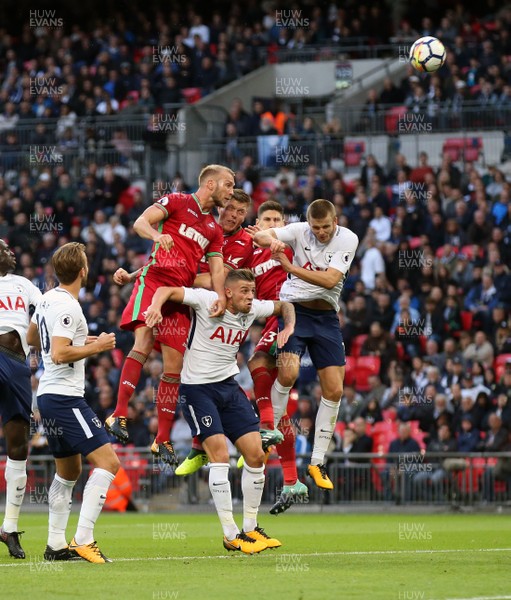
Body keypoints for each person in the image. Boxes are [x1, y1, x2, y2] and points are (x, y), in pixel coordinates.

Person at [144, 269, 295, 553]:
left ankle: (251, 528)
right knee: (221, 456)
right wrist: (154, 306)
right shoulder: (205, 300)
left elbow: (285, 305)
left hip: (228, 386)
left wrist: (288, 328)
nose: (251, 297)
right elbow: (168, 289)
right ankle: (230, 533)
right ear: (228, 292)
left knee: (256, 453)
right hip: (197, 389)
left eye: (252, 291)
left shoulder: (253, 308)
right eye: (245, 291)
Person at [177, 200, 308, 514]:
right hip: (263, 317)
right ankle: (291, 480)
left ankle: (264, 429)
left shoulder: (288, 246)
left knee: (268, 369)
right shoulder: (249, 248)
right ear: (257, 223)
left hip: (288, 314)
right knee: (268, 390)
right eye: (267, 219)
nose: (273, 223)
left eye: (279, 219)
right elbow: (225, 273)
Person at [106, 165, 233, 466]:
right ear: (211, 184)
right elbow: (140, 222)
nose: (230, 191)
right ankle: (119, 414)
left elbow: (216, 269)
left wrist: (219, 299)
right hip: (154, 281)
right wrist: (155, 235)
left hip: (180, 294)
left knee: (174, 369)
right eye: (228, 185)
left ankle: (161, 439)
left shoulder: (213, 229)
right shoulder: (176, 201)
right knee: (144, 341)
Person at [254, 199, 359, 489]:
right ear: (309, 223)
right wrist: (268, 240)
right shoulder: (299, 230)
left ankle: (317, 462)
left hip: (326, 316)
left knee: (335, 389)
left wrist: (288, 265)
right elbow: (266, 235)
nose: (321, 232)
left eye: (326, 227)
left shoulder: (348, 238)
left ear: (335, 221)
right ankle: (268, 432)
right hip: (294, 310)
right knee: (288, 373)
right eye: (316, 227)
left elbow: (330, 280)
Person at [27, 242, 120, 563]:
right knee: (109, 463)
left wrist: (81, 340)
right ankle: (83, 538)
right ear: (83, 271)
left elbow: (31, 338)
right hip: (65, 397)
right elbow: (58, 352)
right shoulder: (69, 306)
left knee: (68, 472)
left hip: (48, 397)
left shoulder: (47, 299)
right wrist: (98, 347)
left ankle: (55, 545)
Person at [0, 240, 42, 559]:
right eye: (4, 249)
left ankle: (9, 528)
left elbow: (45, 314)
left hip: (16, 364)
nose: (12, 253)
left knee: (19, 444)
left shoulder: (24, 284)